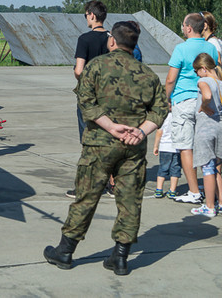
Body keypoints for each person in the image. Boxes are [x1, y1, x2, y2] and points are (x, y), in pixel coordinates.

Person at [44, 21, 169, 276]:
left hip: (99, 145)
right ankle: (121, 257)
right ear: (134, 44)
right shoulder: (148, 74)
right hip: (133, 147)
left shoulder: (96, 66)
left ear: (112, 41)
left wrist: (110, 126)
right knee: (130, 201)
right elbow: (161, 110)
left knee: (87, 197)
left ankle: (66, 251)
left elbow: (85, 101)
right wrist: (141, 131)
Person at [165, 13, 219, 204]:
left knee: (185, 147)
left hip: (184, 100)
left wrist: (166, 98)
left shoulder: (180, 48)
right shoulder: (211, 48)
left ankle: (194, 191)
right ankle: (211, 186)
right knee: (204, 145)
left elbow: (171, 78)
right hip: (206, 101)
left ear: (188, 28)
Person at [66, 1, 111, 199]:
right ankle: (111, 183)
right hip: (108, 96)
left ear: (92, 15)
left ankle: (86, 184)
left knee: (88, 140)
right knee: (108, 138)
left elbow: (78, 70)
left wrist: (83, 79)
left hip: (89, 96)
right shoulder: (112, 39)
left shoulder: (84, 39)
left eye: (86, 15)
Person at [190, 53, 222, 217]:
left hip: (206, 127)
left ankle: (209, 206)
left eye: (196, 70)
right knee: (215, 168)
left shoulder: (204, 81)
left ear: (204, 68)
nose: (196, 74)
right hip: (218, 127)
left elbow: (206, 96)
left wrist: (203, 106)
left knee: (207, 167)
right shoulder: (220, 83)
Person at [152, 114, 180, 199]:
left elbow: (159, 132)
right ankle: (172, 190)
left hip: (165, 147)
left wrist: (156, 146)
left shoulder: (164, 117)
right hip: (177, 147)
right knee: (175, 168)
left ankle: (159, 189)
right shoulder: (178, 116)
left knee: (163, 168)